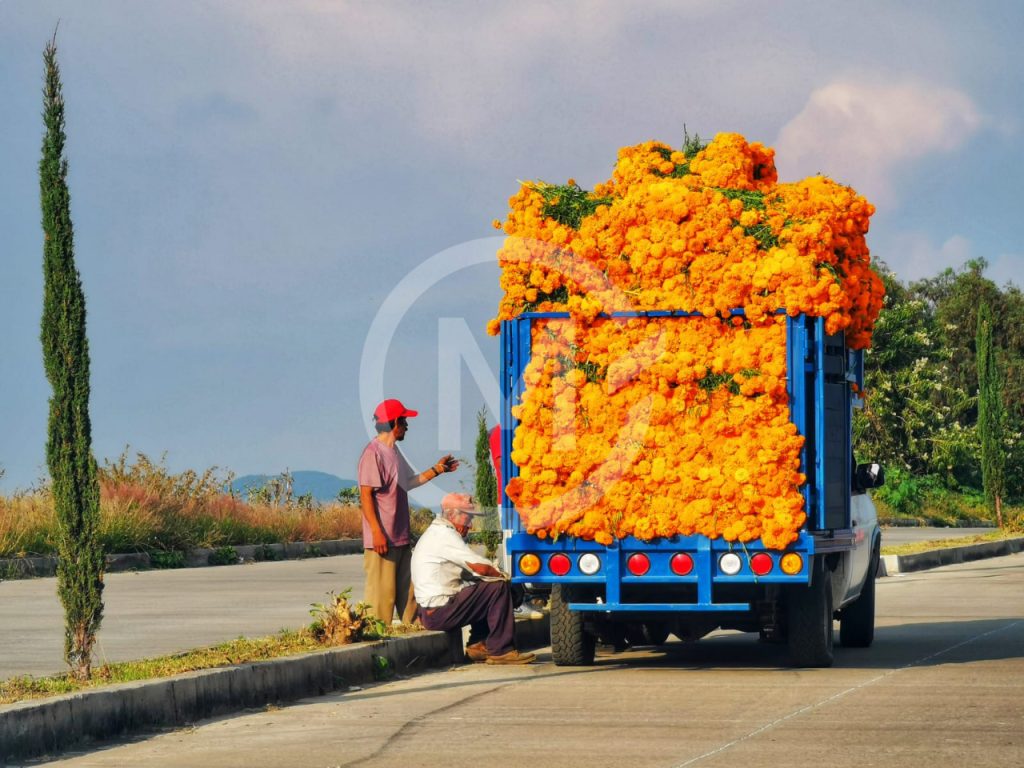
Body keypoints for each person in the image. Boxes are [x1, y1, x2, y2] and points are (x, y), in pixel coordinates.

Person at [358, 398, 458, 625]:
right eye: (403, 421)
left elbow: (408, 482)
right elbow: (365, 496)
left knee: (410, 596)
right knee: (381, 600)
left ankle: (414, 633)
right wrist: (377, 532)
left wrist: (437, 470)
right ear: (394, 423)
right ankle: (378, 644)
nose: (407, 426)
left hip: (400, 538)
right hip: (382, 540)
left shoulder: (394, 452)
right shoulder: (373, 454)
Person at [411, 492, 536, 665]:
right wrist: (504, 578)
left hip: (432, 611)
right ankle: (500, 650)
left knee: (486, 587)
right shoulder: (445, 535)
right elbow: (480, 567)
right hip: (438, 612)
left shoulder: (437, 532)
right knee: (497, 587)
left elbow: (474, 571)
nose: (470, 525)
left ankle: (478, 645)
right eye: (468, 518)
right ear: (453, 514)